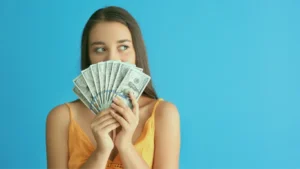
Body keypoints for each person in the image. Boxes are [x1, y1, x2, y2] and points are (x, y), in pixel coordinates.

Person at [46, 6, 181, 169]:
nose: (112, 59)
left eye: (123, 47)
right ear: (88, 57)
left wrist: (125, 146)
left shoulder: (163, 114)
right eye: (100, 49)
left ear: (136, 52)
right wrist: (101, 151)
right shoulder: (62, 118)